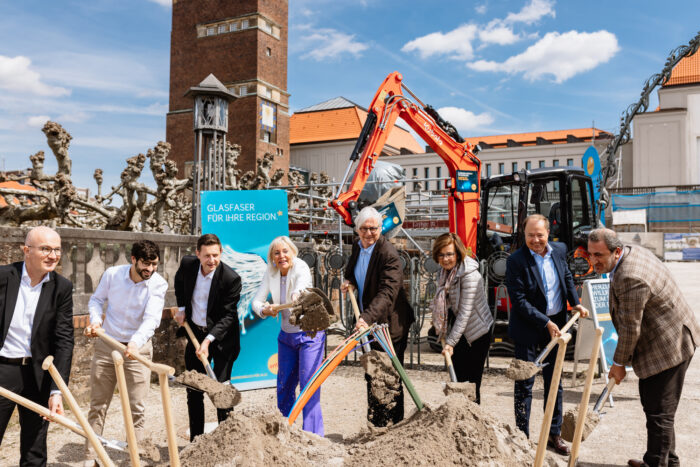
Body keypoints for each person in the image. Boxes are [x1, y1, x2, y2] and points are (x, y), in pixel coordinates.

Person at [588, 228, 699, 467]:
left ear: (616, 251)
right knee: (657, 409)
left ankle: (656, 463)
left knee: (659, 413)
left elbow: (630, 328)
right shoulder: (629, 253)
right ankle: (669, 462)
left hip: (670, 347)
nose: (593, 261)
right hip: (667, 334)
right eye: (590, 254)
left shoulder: (630, 276)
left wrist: (618, 364)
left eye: (599, 255)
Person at [505, 214, 588, 455]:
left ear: (548, 234)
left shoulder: (560, 250)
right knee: (525, 385)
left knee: (555, 384)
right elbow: (518, 301)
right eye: (530, 235)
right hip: (528, 331)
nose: (535, 240)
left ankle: (554, 434)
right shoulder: (516, 261)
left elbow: (567, 277)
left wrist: (576, 303)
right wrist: (545, 322)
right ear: (524, 235)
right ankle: (522, 436)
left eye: (540, 235)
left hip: (556, 329)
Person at [83, 240, 168, 465]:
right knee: (98, 405)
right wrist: (95, 322)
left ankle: (135, 459)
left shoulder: (158, 285)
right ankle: (92, 457)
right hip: (107, 344)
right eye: (145, 264)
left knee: (136, 408)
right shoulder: (112, 275)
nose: (150, 269)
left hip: (137, 348)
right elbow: (96, 300)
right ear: (133, 260)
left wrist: (135, 342)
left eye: (154, 264)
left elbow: (152, 319)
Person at [0, 226, 74, 466]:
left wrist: (56, 390)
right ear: (26, 250)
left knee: (35, 448)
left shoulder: (62, 288)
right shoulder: (3, 277)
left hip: (38, 374)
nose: (52, 255)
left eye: (56, 250)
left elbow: (64, 340)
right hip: (3, 369)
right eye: (45, 249)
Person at [341, 206, 415, 427]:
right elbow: (351, 270)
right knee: (372, 372)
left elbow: (387, 292)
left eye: (373, 229)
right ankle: (376, 423)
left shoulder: (388, 254)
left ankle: (394, 425)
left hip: (389, 325)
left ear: (380, 229)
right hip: (370, 324)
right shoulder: (357, 246)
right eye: (364, 229)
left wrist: (366, 318)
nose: (369, 233)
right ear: (357, 230)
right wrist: (349, 282)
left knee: (390, 376)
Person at [252, 236, 324, 435]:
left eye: (285, 251)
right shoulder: (271, 272)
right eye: (276, 253)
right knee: (284, 387)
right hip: (286, 336)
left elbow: (301, 286)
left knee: (308, 387)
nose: (281, 256)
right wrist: (265, 310)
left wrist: (296, 296)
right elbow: (256, 302)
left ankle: (312, 436)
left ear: (293, 252)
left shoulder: (300, 267)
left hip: (309, 334)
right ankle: (285, 432)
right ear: (272, 258)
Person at [174, 233, 241, 441]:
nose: (211, 260)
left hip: (221, 341)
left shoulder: (231, 279)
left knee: (221, 391)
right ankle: (197, 440)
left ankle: (226, 441)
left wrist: (208, 341)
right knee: (194, 389)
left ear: (221, 253)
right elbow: (178, 282)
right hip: (195, 333)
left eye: (215, 255)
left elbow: (229, 316)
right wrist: (182, 307)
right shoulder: (188, 265)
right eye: (207, 256)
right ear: (197, 254)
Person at [430, 232, 493, 404]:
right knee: (457, 379)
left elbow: (465, 313)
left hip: (476, 333)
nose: (445, 259)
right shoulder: (444, 272)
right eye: (441, 255)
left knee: (471, 385)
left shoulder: (470, 275)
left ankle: (474, 424)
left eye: (449, 254)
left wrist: (450, 342)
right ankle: (459, 423)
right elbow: (445, 301)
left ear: (458, 253)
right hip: (459, 332)